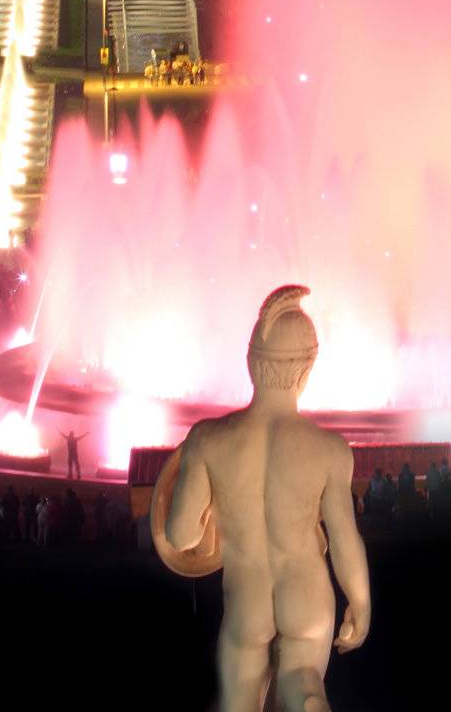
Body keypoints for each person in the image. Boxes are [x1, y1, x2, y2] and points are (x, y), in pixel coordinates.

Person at [158, 285, 370, 712]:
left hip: (247, 602)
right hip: (307, 597)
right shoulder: (329, 449)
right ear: (306, 369)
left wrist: (205, 529)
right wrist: (360, 603)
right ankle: (306, 696)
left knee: (237, 700)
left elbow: (179, 536)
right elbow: (344, 539)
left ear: (251, 362)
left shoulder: (209, 440)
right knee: (301, 678)